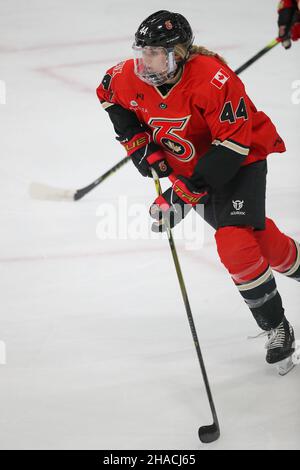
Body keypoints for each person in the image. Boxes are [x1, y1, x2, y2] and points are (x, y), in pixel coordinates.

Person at [96, 10, 299, 373]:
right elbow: (108, 93)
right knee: (258, 237)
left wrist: (181, 195)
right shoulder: (127, 76)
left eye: (157, 52)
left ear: (179, 52)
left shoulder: (215, 79)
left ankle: (275, 326)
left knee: (235, 243)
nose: (147, 60)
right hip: (193, 169)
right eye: (144, 50)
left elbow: (233, 147)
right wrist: (141, 146)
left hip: (239, 162)